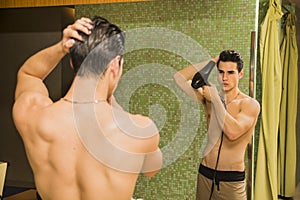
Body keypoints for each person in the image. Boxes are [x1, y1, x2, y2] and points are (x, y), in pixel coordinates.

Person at [12, 16, 162, 200]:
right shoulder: (139, 129)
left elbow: (29, 74)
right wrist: (111, 101)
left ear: (71, 62)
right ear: (115, 65)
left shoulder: (34, 115)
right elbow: (151, 170)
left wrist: (61, 47)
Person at [173, 50, 260, 200]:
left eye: (231, 72)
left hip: (231, 181)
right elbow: (179, 78)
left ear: (240, 74)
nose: (225, 78)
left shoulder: (249, 104)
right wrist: (211, 62)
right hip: (205, 175)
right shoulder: (209, 97)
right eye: (221, 72)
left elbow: (232, 132)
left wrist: (215, 99)